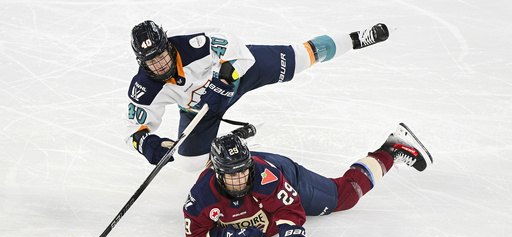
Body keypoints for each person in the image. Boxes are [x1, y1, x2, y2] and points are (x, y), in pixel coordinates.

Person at [125, 20, 390, 168]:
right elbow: (134, 130)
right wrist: (146, 143)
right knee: (190, 165)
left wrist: (224, 78)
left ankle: (355, 39)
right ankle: (231, 140)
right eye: (151, 61)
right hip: (200, 109)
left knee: (300, 57)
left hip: (237, 76)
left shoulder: (191, 42)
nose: (159, 64)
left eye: (161, 55)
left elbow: (231, 43)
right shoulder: (144, 86)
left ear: (168, 45)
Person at [183, 123, 433, 237]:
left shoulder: (264, 176)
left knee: (342, 197)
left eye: (243, 171)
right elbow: (194, 233)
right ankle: (232, 141)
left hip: (284, 173)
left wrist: (291, 234)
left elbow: (289, 209)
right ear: (217, 173)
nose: (241, 180)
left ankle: (390, 150)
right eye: (231, 175)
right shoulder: (201, 197)